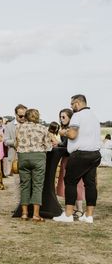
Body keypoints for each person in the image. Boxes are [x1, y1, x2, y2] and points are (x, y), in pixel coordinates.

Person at [54, 95, 102, 224]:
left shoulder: (77, 115)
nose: (71, 107)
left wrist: (63, 133)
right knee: (90, 184)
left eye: (72, 104)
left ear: (78, 103)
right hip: (94, 154)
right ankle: (89, 216)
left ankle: (68, 214)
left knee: (70, 182)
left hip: (80, 155)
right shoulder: (94, 116)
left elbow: (72, 134)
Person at [16, 108, 53, 222]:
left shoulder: (19, 127)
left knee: (24, 185)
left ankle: (24, 213)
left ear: (26, 117)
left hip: (23, 157)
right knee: (37, 186)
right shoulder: (43, 128)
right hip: (38, 157)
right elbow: (49, 147)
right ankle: (36, 215)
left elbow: (15, 143)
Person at [55, 108, 85, 217]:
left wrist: (57, 142)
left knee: (77, 184)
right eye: (60, 117)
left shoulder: (71, 129)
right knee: (67, 184)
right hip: (66, 159)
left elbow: (67, 144)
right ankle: (71, 208)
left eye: (64, 117)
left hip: (74, 158)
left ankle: (80, 209)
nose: (61, 119)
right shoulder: (63, 129)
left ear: (70, 117)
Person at [4, 104, 27, 177]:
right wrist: (15, 142)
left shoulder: (30, 125)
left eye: (25, 116)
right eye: (20, 116)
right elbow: (5, 141)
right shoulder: (9, 126)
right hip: (14, 158)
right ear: (15, 114)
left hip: (27, 158)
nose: (23, 118)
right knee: (16, 183)